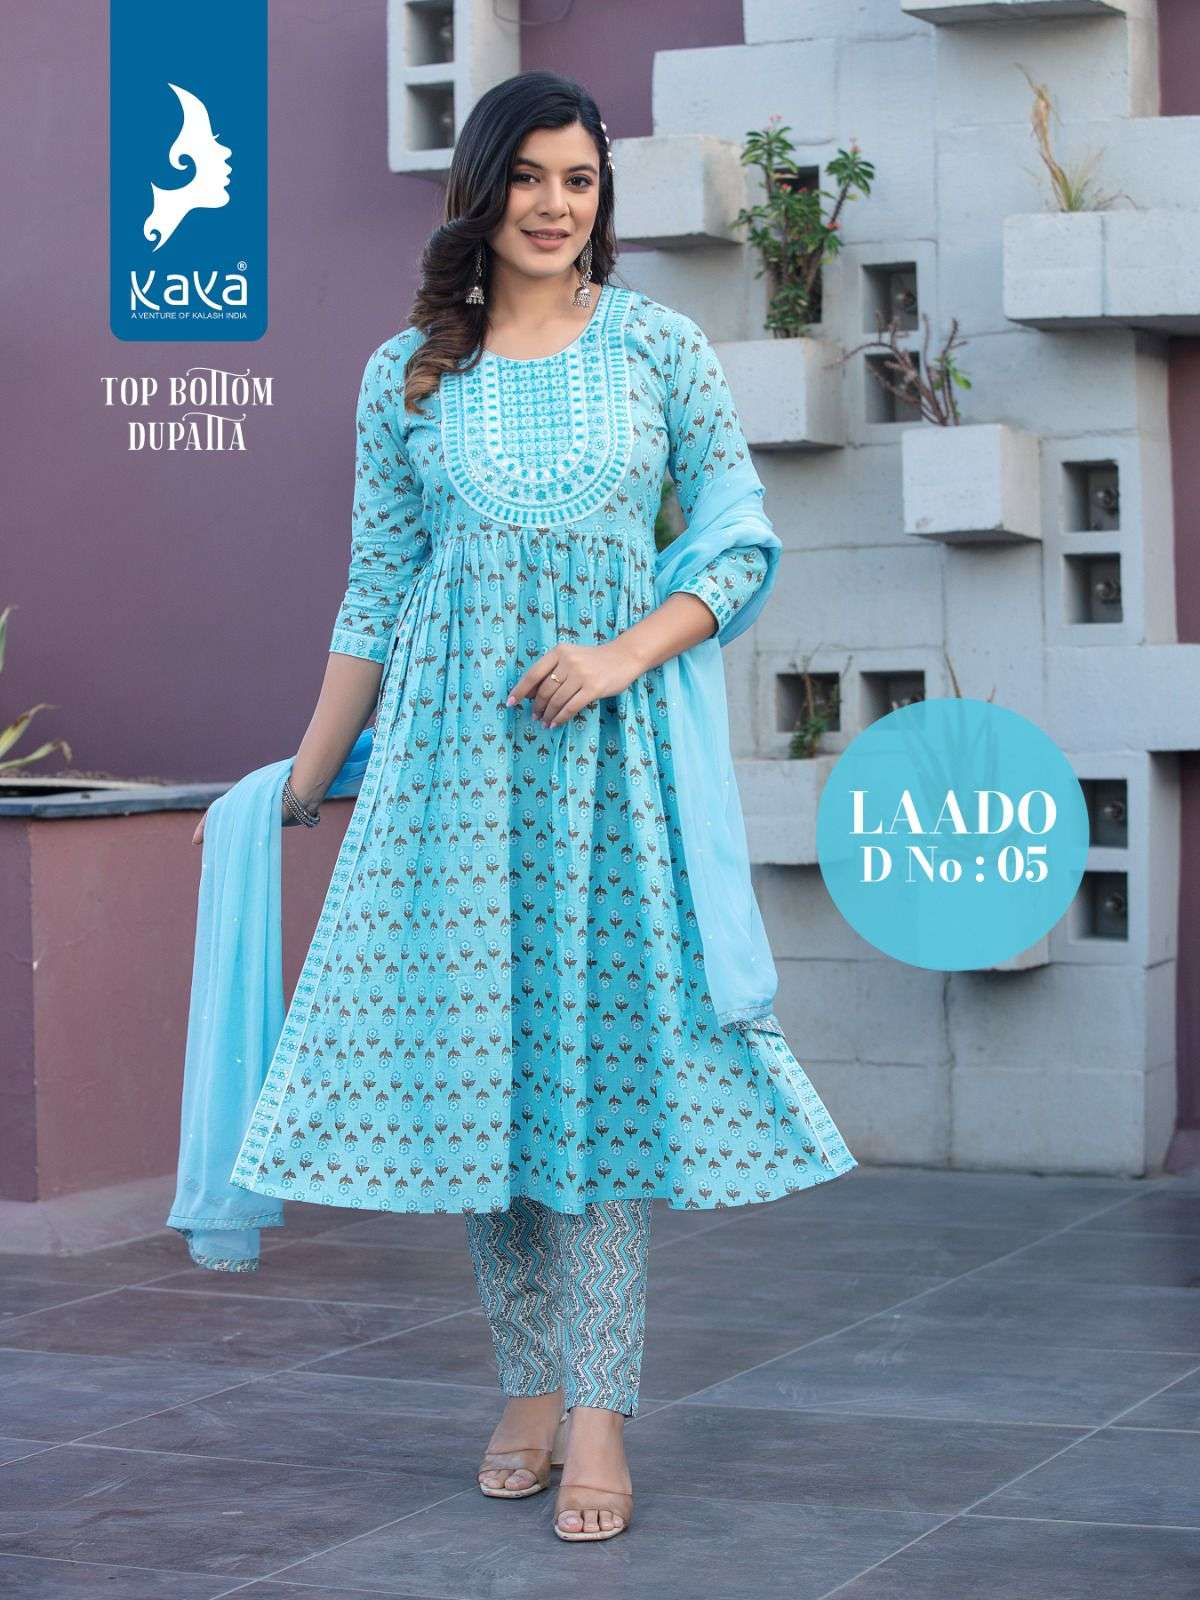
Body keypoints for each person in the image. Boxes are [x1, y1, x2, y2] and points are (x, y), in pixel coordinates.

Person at [187, 70, 856, 1544]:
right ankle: (529, 1382)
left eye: (580, 180)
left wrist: (617, 656)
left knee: (599, 1089)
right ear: (480, 190)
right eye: (531, 177)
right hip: (451, 778)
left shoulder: (657, 347)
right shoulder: (408, 374)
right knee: (489, 1086)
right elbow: (376, 589)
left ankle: (601, 1407)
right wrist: (303, 776)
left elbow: (738, 543)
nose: (556, 206)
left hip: (610, 776)